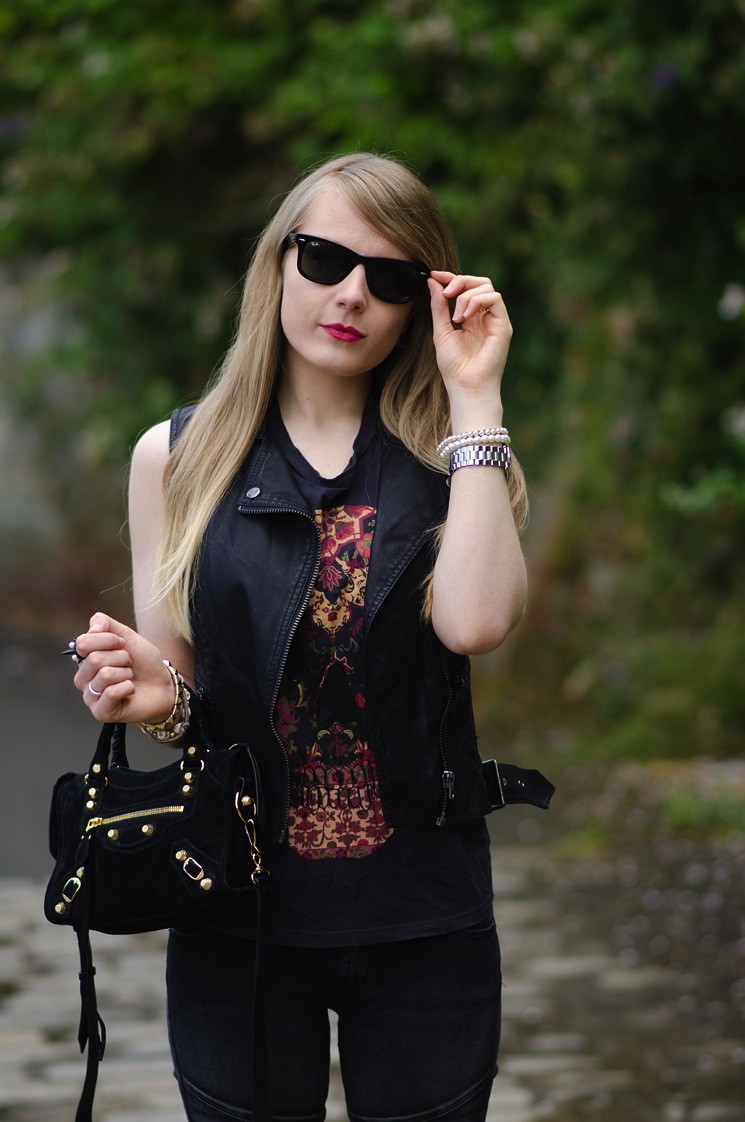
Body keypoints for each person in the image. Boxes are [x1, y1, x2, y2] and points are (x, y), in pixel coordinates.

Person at [70, 152, 533, 1122]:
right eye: (324, 259)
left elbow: (476, 622)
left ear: (421, 304)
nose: (352, 294)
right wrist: (149, 697)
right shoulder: (177, 457)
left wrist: (475, 398)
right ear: (278, 264)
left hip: (426, 921)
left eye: (392, 279)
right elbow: (180, 691)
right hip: (238, 918)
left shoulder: (457, 459)